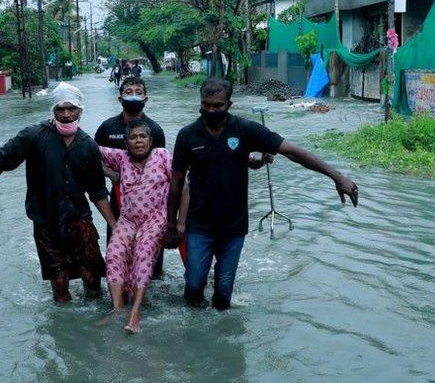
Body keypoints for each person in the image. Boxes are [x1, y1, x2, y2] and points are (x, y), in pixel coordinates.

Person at [166, 77, 359, 310]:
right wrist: (172, 225)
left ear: (229, 104)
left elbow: (292, 151)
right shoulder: (187, 136)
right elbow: (176, 183)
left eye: (218, 106)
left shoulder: (245, 130)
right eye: (206, 105)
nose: (211, 110)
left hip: (233, 227)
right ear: (200, 103)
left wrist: (336, 176)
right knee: (194, 288)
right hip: (199, 225)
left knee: (223, 297)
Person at [0, 82, 118, 303]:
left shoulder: (88, 146)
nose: (66, 114)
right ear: (53, 110)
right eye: (60, 109)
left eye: (71, 108)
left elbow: (97, 191)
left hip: (79, 220)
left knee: (92, 278)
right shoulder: (33, 136)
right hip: (46, 222)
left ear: (80, 111)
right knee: (59, 283)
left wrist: (114, 225)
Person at [98, 121, 171, 334]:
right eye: (133, 138)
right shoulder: (121, 158)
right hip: (128, 219)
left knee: (143, 253)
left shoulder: (162, 155)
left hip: (155, 218)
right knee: (114, 253)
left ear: (150, 140)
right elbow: (91, 149)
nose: (138, 141)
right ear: (127, 143)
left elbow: (180, 184)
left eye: (142, 137)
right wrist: (62, 125)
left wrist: (179, 222)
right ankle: (118, 309)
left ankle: (135, 312)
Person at [94, 77, 167, 277]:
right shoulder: (107, 128)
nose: (133, 95)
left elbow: (162, 169)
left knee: (153, 269)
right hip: (118, 202)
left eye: (138, 91)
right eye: (128, 91)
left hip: (151, 207)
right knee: (116, 258)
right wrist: (112, 174)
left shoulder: (156, 131)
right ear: (120, 98)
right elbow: (92, 157)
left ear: (146, 98)